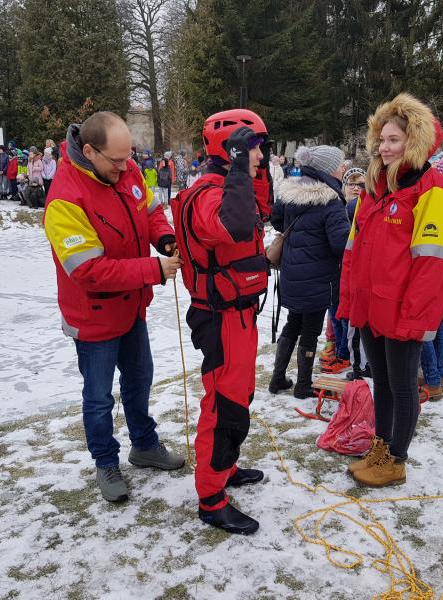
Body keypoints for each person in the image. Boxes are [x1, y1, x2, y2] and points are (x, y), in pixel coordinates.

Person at [43, 111, 184, 503]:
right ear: (89, 151)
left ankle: (144, 444)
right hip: (93, 317)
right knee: (100, 397)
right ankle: (106, 461)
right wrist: (153, 268)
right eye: (117, 161)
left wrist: (166, 239)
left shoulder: (127, 171)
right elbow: (88, 270)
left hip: (132, 307)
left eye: (129, 159)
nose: (126, 168)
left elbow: (151, 211)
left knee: (140, 380)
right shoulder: (65, 199)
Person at [338, 93, 443, 487]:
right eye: (382, 139)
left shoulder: (433, 189)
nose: (384, 148)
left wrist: (414, 317)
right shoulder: (374, 186)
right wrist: (349, 298)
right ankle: (381, 446)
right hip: (371, 307)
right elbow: (353, 250)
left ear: (415, 142)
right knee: (382, 383)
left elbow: (432, 263)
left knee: (404, 386)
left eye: (394, 140)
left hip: (403, 310)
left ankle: (396, 460)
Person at [172, 109, 270, 535]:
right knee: (223, 405)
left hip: (240, 313)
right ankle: (211, 497)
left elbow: (260, 209)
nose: (263, 157)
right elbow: (231, 226)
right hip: (219, 317)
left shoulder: (231, 187)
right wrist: (238, 163)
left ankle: (225, 467)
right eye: (257, 149)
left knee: (240, 396)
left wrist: (246, 170)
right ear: (232, 150)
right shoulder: (210, 195)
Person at [270, 145, 350, 396]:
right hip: (318, 277)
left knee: (293, 323)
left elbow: (275, 219)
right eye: (339, 165)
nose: (343, 168)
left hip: (292, 272)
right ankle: (303, 385)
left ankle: (277, 378)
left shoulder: (289, 190)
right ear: (326, 169)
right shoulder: (331, 200)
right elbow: (340, 244)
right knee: (311, 330)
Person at [341, 167, 369, 380]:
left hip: (364, 283)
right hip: (352, 282)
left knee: (358, 330)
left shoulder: (361, 206)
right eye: (352, 184)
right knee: (352, 329)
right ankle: (357, 365)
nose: (357, 188)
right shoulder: (347, 207)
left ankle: (361, 366)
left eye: (361, 184)